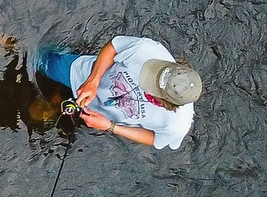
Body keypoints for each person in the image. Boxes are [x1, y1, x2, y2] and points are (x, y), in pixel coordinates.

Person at [37, 35, 201, 149]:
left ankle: (57, 98)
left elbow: (155, 138)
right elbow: (113, 46)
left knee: (38, 116)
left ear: (161, 103)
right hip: (82, 75)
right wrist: (93, 80)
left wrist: (110, 126)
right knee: (45, 62)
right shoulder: (147, 49)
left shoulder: (178, 125)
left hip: (99, 116)